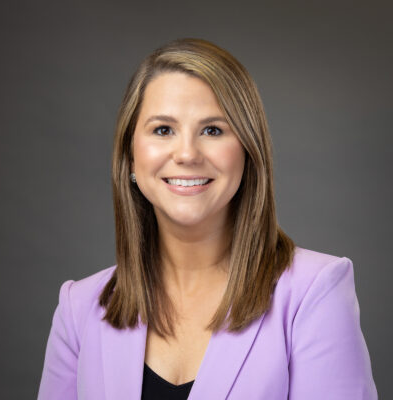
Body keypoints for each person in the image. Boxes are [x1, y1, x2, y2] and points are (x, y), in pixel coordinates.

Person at [37, 38, 377, 400]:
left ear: (248, 151)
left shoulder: (315, 294)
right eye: (163, 129)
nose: (186, 153)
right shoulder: (79, 309)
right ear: (130, 156)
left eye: (213, 130)